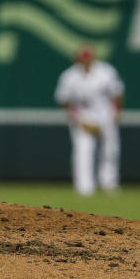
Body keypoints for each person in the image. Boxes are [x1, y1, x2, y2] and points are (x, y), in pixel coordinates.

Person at [54, 45, 124, 196]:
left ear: (94, 57)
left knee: (110, 151)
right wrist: (77, 118)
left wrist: (117, 113)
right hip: (82, 116)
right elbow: (63, 100)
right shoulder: (70, 75)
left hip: (105, 115)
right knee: (83, 151)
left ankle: (109, 183)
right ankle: (84, 187)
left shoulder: (106, 71)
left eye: (88, 58)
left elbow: (117, 94)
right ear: (77, 59)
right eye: (82, 58)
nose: (85, 61)